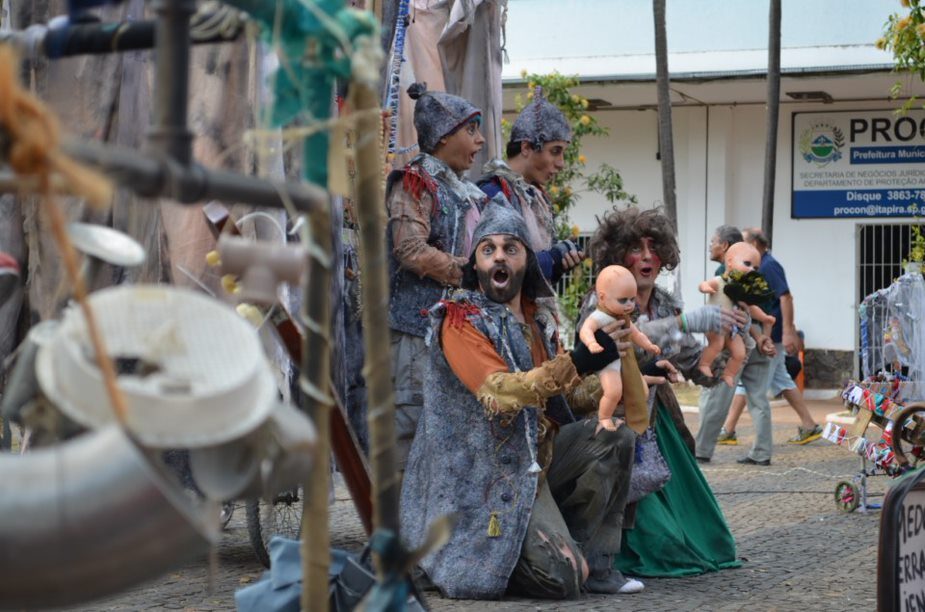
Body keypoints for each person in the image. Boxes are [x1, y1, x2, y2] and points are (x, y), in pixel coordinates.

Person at [400, 205, 642, 600]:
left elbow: (565, 397)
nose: (499, 257)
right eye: (488, 249)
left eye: (510, 248)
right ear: (476, 264)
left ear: (527, 260)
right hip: (483, 476)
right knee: (560, 579)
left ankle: (593, 563)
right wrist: (577, 362)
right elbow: (499, 392)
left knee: (614, 436)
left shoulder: (538, 321)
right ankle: (540, 560)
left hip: (534, 460)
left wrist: (619, 375)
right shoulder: (460, 319)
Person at [581, 207, 744, 578]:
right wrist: (682, 322)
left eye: (654, 247)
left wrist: (731, 347)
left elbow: (693, 362)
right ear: (618, 254)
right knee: (663, 543)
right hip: (615, 418)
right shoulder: (601, 301)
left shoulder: (665, 302)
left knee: (711, 539)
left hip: (658, 419)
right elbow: (609, 348)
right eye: (636, 248)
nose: (647, 256)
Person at [386, 83, 490, 468]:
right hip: (417, 333)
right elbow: (410, 248)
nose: (480, 140)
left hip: (456, 332)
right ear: (444, 136)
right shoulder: (414, 183)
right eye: (471, 130)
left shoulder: (464, 192)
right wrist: (470, 273)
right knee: (411, 430)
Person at [716, 228, 822, 446]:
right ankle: (810, 425)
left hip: (770, 335)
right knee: (781, 379)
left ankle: (728, 430)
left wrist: (788, 331)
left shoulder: (768, 265)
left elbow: (785, 297)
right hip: (768, 332)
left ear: (755, 244)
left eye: (745, 241)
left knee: (750, 381)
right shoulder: (757, 265)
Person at [478, 87, 583, 283]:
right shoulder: (494, 194)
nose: (561, 163)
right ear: (526, 147)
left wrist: (558, 265)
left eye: (562, 153)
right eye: (555, 151)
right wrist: (552, 259)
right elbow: (501, 268)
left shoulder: (536, 197)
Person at [695, 224, 777, 466]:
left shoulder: (727, 275)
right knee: (758, 399)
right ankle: (762, 452)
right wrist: (762, 335)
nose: (710, 246)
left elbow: (742, 313)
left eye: (713, 242)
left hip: (734, 344)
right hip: (753, 340)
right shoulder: (750, 281)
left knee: (717, 398)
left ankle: (701, 450)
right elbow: (750, 312)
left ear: (725, 251)